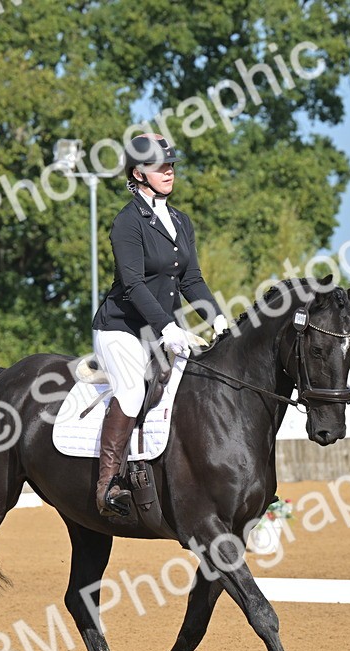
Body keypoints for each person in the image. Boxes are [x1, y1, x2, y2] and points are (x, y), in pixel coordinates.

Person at [90, 133, 228, 517]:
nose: (169, 171)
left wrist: (217, 320)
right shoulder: (127, 222)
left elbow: (191, 280)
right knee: (132, 392)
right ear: (139, 173)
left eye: (171, 166)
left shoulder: (181, 221)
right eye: (160, 167)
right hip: (121, 329)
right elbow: (132, 284)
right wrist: (168, 327)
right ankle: (107, 483)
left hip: (161, 329)